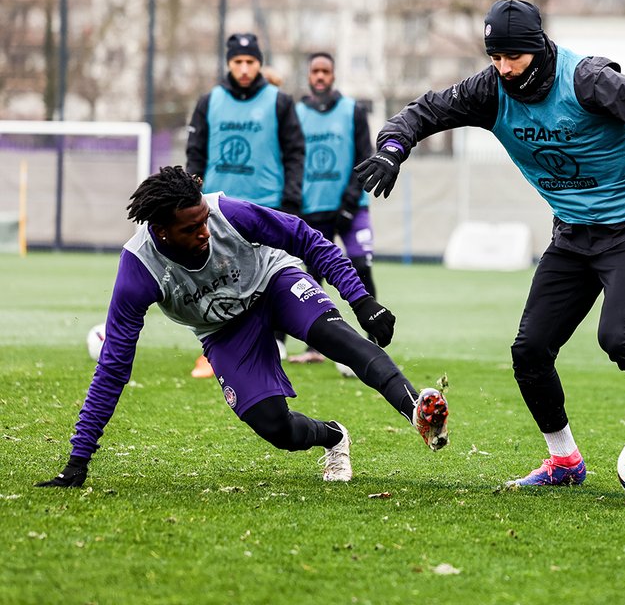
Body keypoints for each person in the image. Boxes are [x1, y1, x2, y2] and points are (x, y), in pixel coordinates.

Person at [355, 0, 625, 492]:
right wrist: (393, 148)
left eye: (512, 57)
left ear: (538, 46)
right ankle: (564, 461)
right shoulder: (489, 89)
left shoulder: (587, 81)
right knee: (530, 350)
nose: (502, 67)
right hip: (573, 233)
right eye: (494, 57)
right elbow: (423, 112)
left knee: (620, 339)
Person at [35, 166, 449, 489]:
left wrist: (361, 301)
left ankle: (416, 409)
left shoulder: (226, 213)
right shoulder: (138, 271)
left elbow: (307, 238)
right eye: (191, 228)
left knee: (339, 340)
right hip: (223, 331)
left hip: (274, 284)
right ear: (161, 231)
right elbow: (113, 367)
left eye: (204, 220)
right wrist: (79, 459)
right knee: (276, 428)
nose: (205, 232)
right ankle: (333, 437)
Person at [184, 33, 305, 378]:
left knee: (270, 275)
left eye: (250, 62)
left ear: (259, 63)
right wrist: (191, 199)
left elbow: (295, 153)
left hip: (266, 205)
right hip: (217, 209)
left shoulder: (279, 102)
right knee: (218, 278)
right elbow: (196, 154)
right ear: (228, 63)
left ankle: (276, 342)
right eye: (238, 62)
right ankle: (216, 348)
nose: (244, 68)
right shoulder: (209, 101)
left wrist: (291, 199)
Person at [289, 51, 377, 365]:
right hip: (312, 209)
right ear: (309, 76)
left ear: (334, 74)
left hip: (351, 208)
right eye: (316, 71)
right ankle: (316, 348)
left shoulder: (352, 111)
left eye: (326, 70)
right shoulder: (297, 112)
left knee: (360, 267)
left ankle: (373, 344)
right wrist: (296, 202)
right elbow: (291, 159)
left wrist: (349, 203)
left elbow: (365, 157)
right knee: (311, 278)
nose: (321, 76)